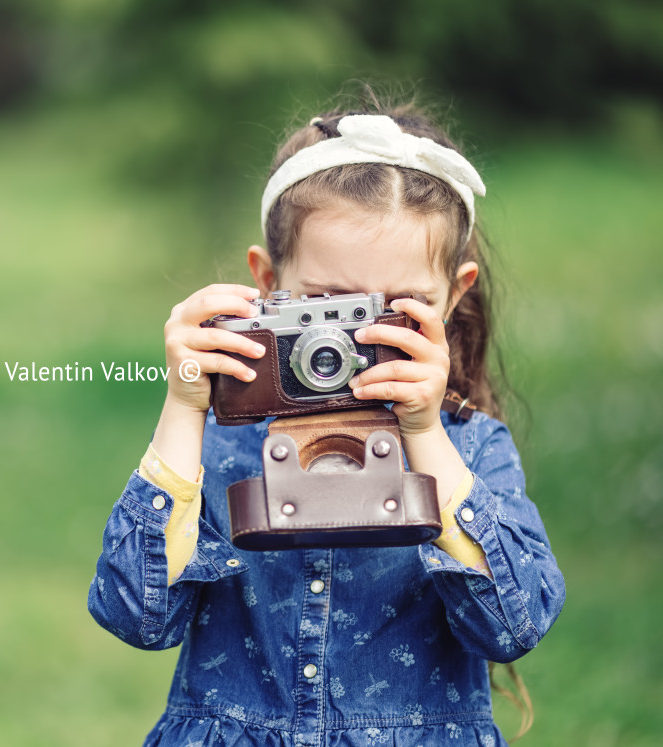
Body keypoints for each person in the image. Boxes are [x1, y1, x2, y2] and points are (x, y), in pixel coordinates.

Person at [87, 90, 566, 746]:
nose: (351, 340)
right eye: (325, 306)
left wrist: (425, 436)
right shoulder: (222, 444)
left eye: (397, 309)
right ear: (267, 281)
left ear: (455, 295)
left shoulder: (468, 447)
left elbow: (513, 624)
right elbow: (136, 616)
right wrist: (183, 408)